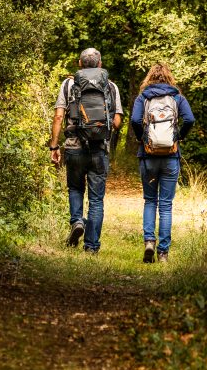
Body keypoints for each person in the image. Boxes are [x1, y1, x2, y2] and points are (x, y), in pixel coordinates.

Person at [49, 48, 124, 254]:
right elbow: (116, 122)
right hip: (99, 148)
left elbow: (58, 117)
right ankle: (91, 247)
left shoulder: (68, 84)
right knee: (97, 199)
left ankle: (77, 222)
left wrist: (54, 146)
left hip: (73, 146)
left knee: (75, 189)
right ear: (100, 64)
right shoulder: (110, 86)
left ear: (79, 64)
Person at [130, 62, 195, 263]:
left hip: (148, 156)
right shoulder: (176, 97)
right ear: (169, 77)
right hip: (170, 156)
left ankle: (149, 241)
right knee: (166, 205)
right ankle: (163, 253)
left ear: (150, 77)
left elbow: (134, 120)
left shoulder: (143, 97)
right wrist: (178, 136)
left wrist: (142, 138)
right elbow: (190, 119)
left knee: (150, 201)